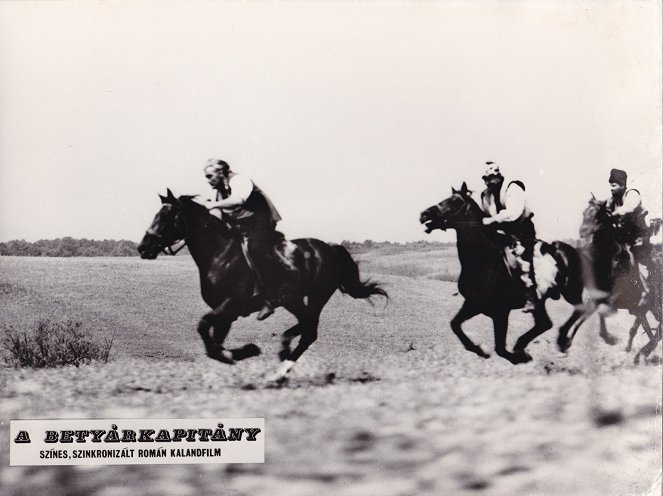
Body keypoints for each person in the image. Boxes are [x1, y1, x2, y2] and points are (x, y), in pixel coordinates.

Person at [202, 158, 283, 321]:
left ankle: (271, 297)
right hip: (243, 226)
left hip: (261, 221)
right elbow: (218, 216)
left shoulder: (239, 180)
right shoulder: (220, 191)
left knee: (254, 248)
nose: (208, 180)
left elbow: (238, 200)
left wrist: (213, 205)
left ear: (220, 173)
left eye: (209, 176)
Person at [480, 162, 538, 312]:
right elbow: (486, 212)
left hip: (521, 229)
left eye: (491, 178)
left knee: (521, 258)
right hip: (502, 229)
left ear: (499, 177)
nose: (488, 182)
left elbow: (513, 213)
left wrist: (492, 221)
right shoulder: (488, 194)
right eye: (486, 179)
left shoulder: (512, 188)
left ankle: (531, 296)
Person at [604, 168, 652, 297]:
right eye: (610, 185)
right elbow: (605, 210)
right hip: (624, 238)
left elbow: (628, 208)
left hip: (639, 238)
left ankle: (649, 295)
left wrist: (613, 214)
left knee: (643, 269)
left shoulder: (632, 194)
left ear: (623, 185)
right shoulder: (612, 199)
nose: (611, 188)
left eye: (614, 185)